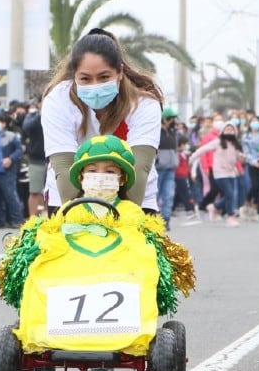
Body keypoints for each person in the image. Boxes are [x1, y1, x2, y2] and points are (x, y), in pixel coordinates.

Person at [0, 135, 195, 371]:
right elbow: (53, 232)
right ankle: (43, 332)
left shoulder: (131, 212)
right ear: (81, 177)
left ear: (122, 178)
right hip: (72, 269)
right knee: (41, 265)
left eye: (110, 171)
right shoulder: (70, 211)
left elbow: (138, 237)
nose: (100, 177)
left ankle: (126, 331)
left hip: (117, 269)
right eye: (92, 170)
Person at [41, 28, 163, 216]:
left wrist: (125, 220)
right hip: (69, 199)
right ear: (74, 76)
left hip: (134, 200)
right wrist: (79, 218)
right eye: (85, 79)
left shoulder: (144, 103)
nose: (95, 85)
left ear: (120, 72)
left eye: (104, 77)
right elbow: (64, 167)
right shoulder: (57, 100)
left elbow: (139, 167)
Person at [189, 122, 246, 228]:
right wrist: (192, 158)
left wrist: (242, 158)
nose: (229, 132)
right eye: (227, 129)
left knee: (231, 194)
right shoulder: (218, 142)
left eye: (231, 130)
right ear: (223, 131)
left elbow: (238, 157)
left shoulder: (235, 144)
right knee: (229, 193)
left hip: (231, 172)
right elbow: (203, 149)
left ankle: (214, 206)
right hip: (220, 172)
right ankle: (230, 217)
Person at [0, 113, 26, 229]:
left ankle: (17, 220)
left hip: (6, 172)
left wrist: (10, 158)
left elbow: (20, 150)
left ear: (3, 124)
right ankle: (0, 221)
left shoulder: (11, 136)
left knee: (10, 196)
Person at [155, 107, 180, 230]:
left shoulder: (174, 133)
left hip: (170, 169)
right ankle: (154, 219)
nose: (172, 121)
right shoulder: (156, 132)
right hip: (158, 168)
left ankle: (166, 219)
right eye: (170, 119)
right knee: (156, 195)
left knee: (169, 195)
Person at [22, 99, 46, 220]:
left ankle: (46, 216)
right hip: (36, 160)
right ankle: (32, 219)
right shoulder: (33, 117)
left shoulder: (57, 115)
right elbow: (26, 127)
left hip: (52, 159)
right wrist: (39, 115)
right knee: (35, 191)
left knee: (50, 192)